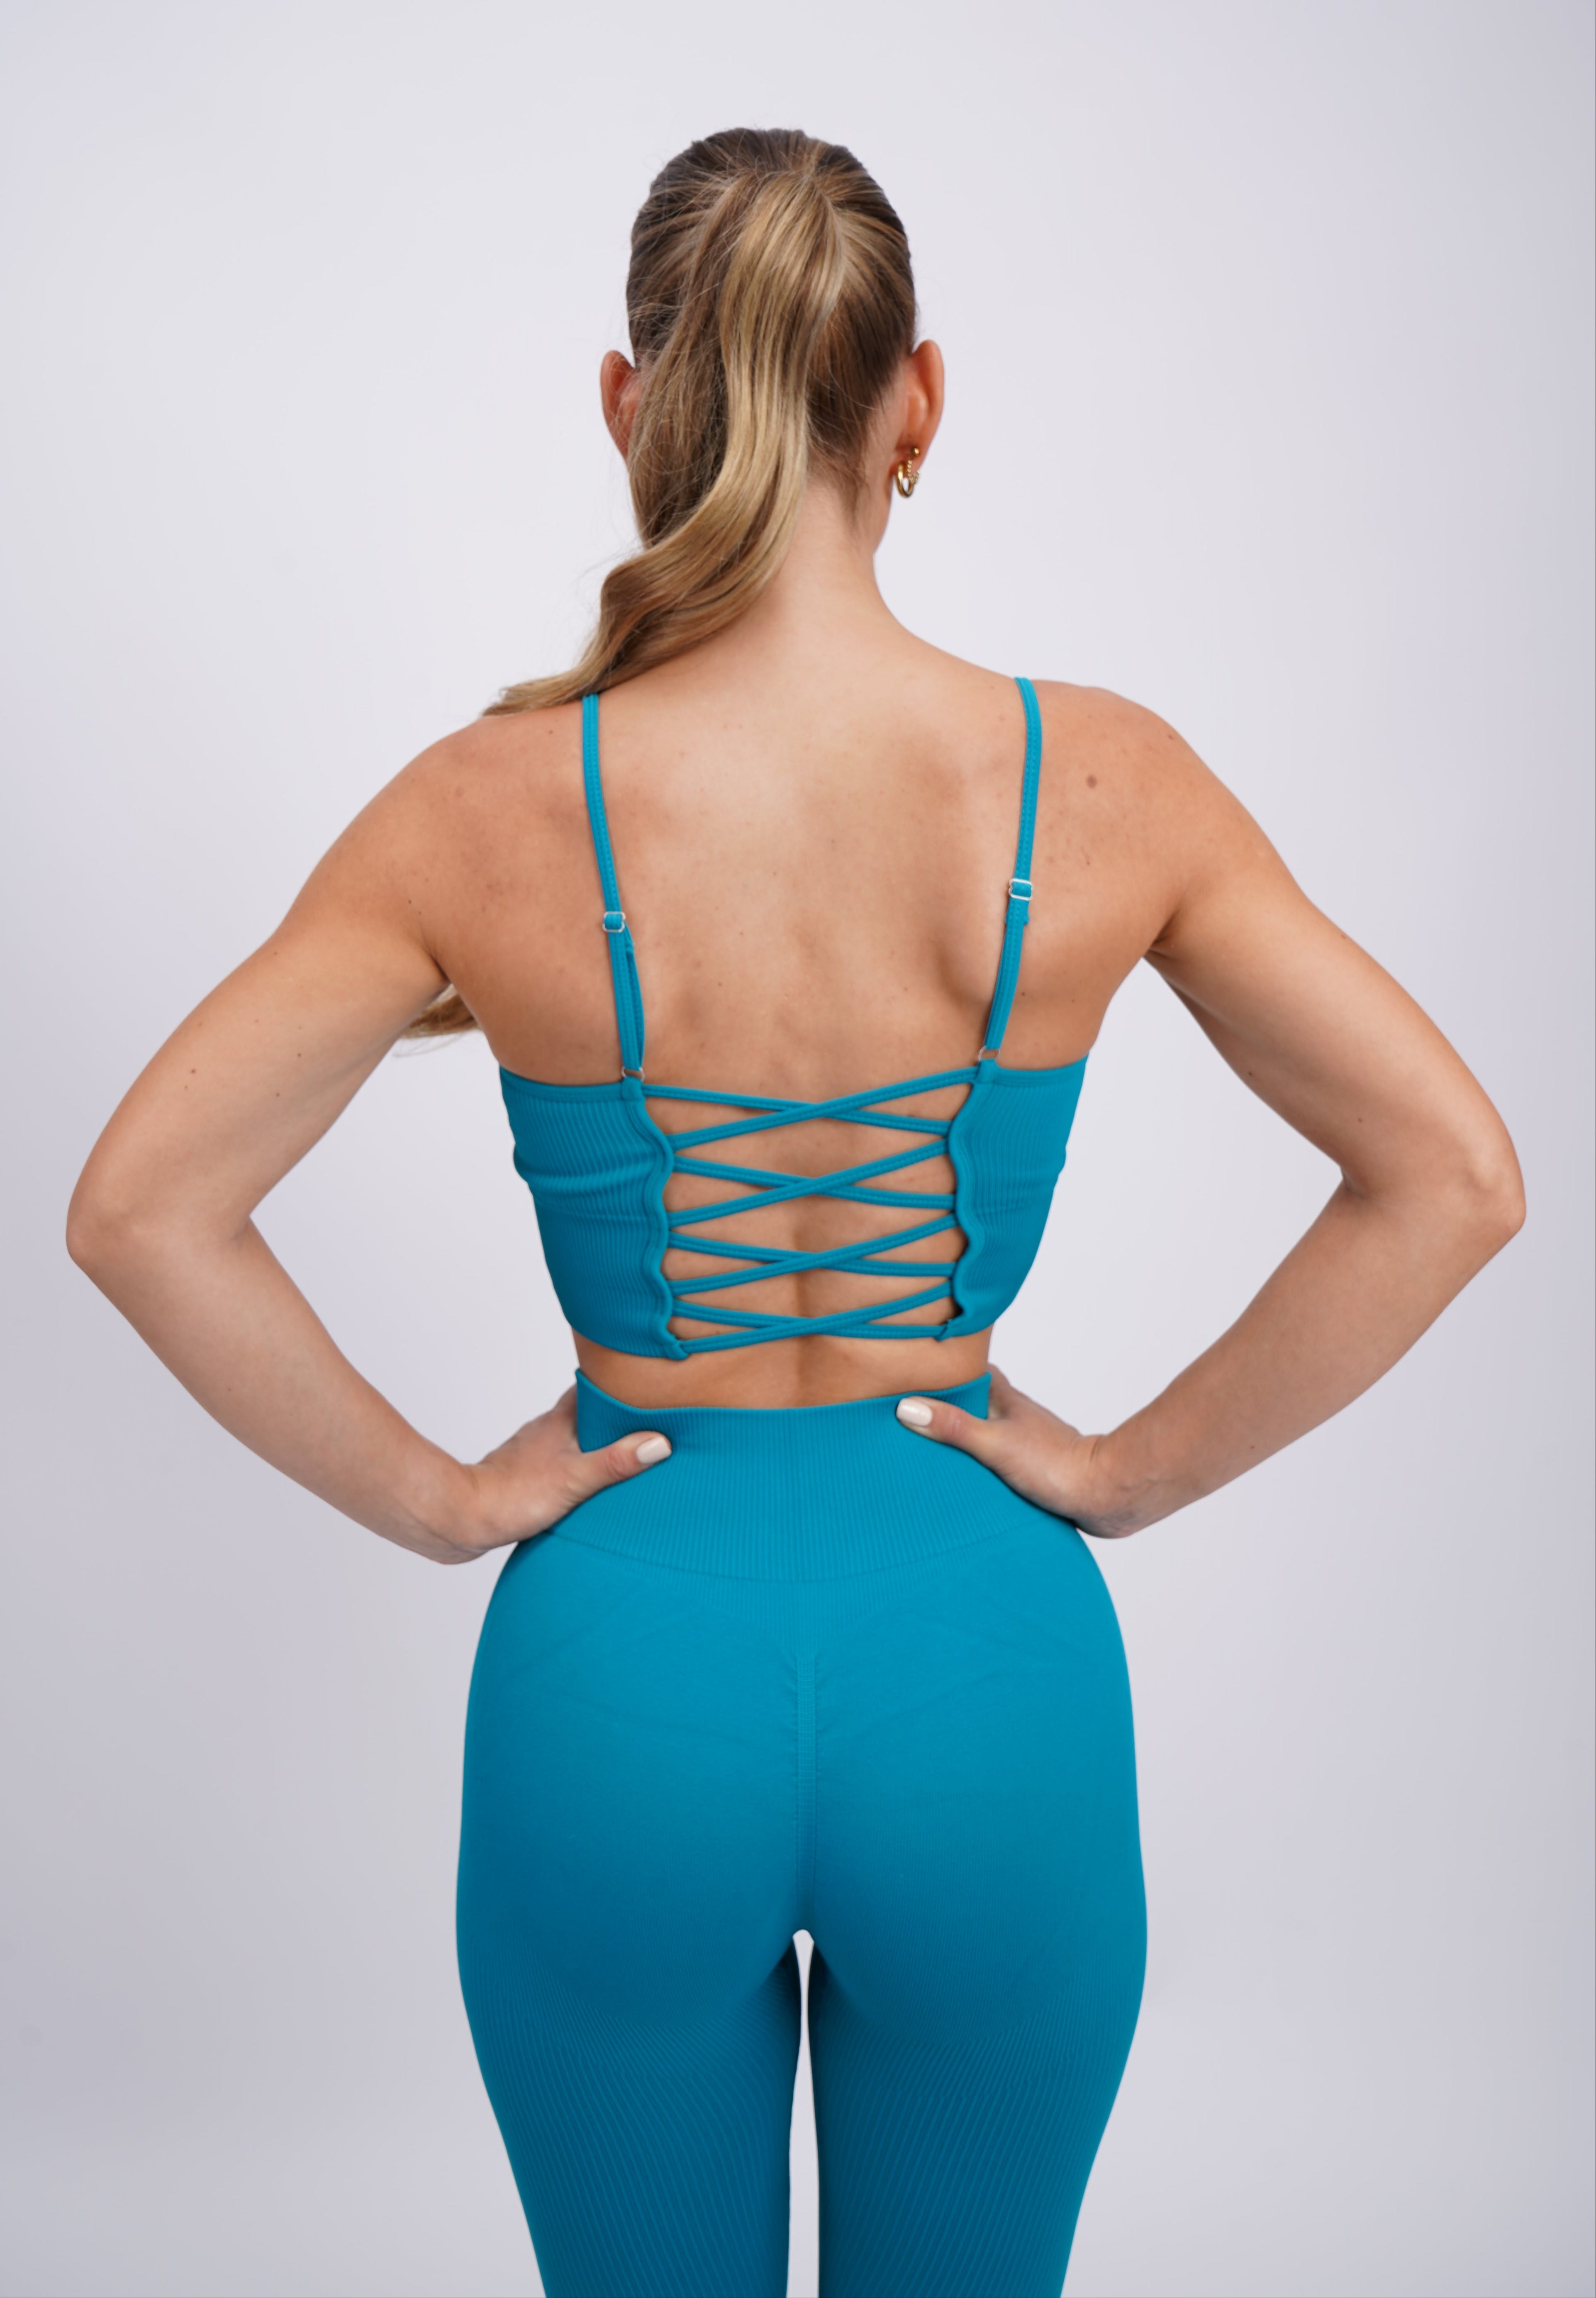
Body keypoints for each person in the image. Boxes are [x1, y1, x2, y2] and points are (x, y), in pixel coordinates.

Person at [66, 127, 1524, 2298]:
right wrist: (1128, 1469)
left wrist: (444, 1499)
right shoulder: (1102, 783)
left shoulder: (483, 808)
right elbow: (1456, 1175)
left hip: (622, 1678)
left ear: (630, 405)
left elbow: (140, 1208)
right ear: (914, 398)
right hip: (987, 1670)